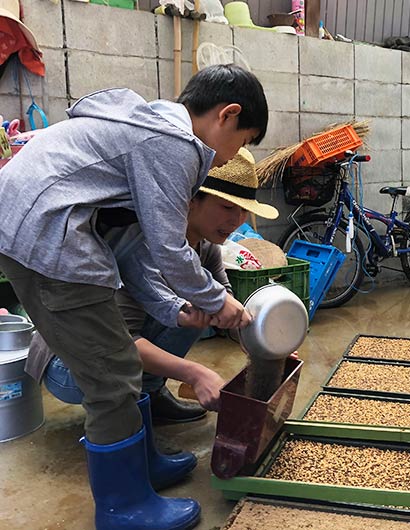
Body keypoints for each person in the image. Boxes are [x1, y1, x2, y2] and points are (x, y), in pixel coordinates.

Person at [0, 64, 268, 530]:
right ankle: (124, 508)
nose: (232, 156)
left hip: (37, 230)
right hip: (46, 240)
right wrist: (212, 300)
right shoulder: (174, 143)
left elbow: (131, 249)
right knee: (111, 381)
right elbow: (168, 248)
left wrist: (175, 307)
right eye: (242, 141)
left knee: (123, 364)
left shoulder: (148, 131)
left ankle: (140, 466)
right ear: (227, 115)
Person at [25, 148, 279, 421]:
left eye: (244, 210)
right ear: (190, 200)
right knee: (192, 313)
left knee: (208, 309)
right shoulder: (138, 248)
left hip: (115, 348)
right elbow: (121, 343)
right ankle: (126, 413)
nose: (237, 220)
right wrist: (194, 373)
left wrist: (264, 343)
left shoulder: (207, 250)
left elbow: (228, 311)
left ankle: (150, 396)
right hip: (68, 364)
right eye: (228, 207)